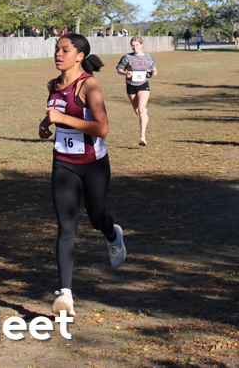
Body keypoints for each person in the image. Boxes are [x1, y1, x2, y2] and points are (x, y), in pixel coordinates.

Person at [39, 33, 126, 318]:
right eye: (56, 49)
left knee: (97, 217)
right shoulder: (53, 85)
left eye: (65, 50)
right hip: (63, 163)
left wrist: (61, 119)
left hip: (93, 164)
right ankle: (65, 294)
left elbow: (102, 129)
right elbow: (55, 113)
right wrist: (45, 125)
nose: (58, 54)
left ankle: (112, 234)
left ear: (79, 56)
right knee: (66, 226)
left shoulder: (90, 85)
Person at [116, 36, 158, 145]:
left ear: (141, 45)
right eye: (133, 45)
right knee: (138, 112)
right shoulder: (127, 57)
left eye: (137, 45)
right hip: (131, 86)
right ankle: (144, 114)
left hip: (143, 85)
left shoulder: (148, 57)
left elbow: (153, 68)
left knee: (141, 109)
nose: (135, 47)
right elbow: (119, 69)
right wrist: (125, 73)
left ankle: (142, 137)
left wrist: (154, 71)